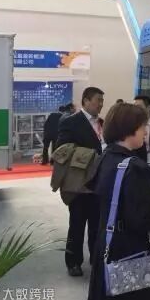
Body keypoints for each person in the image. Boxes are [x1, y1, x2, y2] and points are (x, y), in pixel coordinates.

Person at [86, 103, 150, 300]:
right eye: (142, 127)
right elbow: (143, 220)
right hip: (132, 253)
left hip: (108, 246)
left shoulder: (105, 158)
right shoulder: (134, 168)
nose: (146, 132)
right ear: (129, 130)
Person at [56, 87, 105, 277]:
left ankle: (96, 259)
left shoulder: (102, 123)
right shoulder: (71, 122)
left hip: (99, 183)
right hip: (79, 183)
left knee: (96, 225)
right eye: (98, 100)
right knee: (77, 224)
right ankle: (73, 262)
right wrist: (91, 156)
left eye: (102, 101)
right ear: (85, 101)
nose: (101, 104)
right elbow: (62, 149)